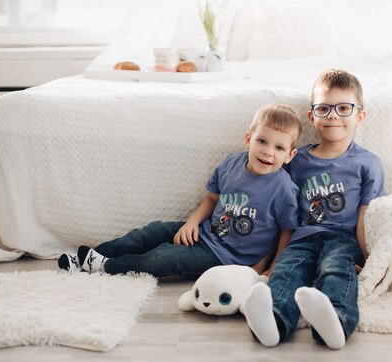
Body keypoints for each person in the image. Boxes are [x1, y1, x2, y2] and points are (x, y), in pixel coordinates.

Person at [58, 103, 301, 278]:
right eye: (262, 141)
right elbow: (212, 198)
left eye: (279, 147)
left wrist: (271, 266)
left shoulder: (283, 189)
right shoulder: (232, 164)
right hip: (205, 232)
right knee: (152, 232)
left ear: (290, 155)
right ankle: (90, 255)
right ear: (249, 140)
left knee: (164, 257)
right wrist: (191, 223)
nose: (268, 152)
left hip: (227, 257)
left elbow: (286, 231)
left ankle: (106, 266)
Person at [242, 69, 385, 349]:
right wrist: (270, 259)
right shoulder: (296, 159)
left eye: (344, 108)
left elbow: (368, 213)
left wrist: (368, 256)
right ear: (312, 116)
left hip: (342, 239)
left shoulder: (368, 163)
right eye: (324, 108)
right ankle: (274, 321)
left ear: (360, 116)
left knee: (336, 270)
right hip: (302, 237)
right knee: (287, 271)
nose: (333, 116)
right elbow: (278, 204)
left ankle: (336, 322)